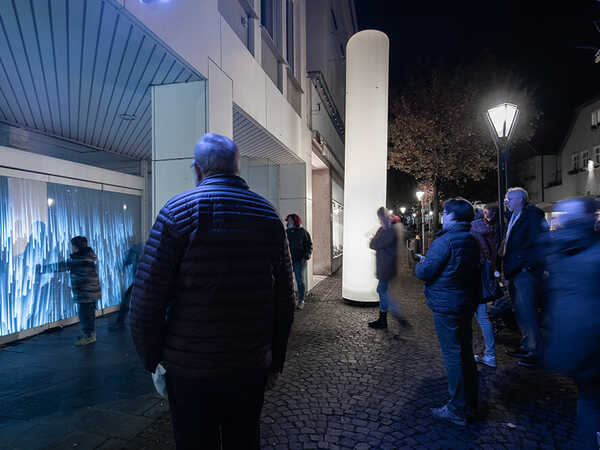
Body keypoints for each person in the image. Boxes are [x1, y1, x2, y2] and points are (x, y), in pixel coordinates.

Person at [130, 133, 295, 450]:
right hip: (249, 365)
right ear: (237, 167)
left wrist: (153, 360)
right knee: (243, 441)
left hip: (189, 369)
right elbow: (285, 299)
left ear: (197, 169)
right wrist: (275, 361)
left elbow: (146, 301)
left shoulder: (176, 212)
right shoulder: (267, 215)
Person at [540, 197, 600, 449]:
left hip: (572, 341)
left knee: (589, 401)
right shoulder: (593, 251)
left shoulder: (557, 249)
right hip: (593, 341)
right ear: (590, 217)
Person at [415, 198, 480, 426]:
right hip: (465, 302)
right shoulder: (471, 239)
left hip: (447, 304)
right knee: (465, 352)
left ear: (452, 216)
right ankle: (470, 402)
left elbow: (425, 272)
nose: (442, 216)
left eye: (445, 212)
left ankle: (457, 408)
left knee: (453, 354)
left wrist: (421, 263)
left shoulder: (445, 241)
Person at [502, 187, 548, 368]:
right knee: (521, 311)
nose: (507, 202)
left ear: (520, 199)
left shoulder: (532, 216)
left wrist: (527, 266)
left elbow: (539, 243)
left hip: (524, 271)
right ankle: (527, 344)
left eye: (509, 199)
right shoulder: (514, 216)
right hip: (516, 270)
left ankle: (536, 351)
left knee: (527, 311)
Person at [38, 235, 101, 346]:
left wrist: (42, 269)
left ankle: (89, 336)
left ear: (76, 247)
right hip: (92, 291)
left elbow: (61, 266)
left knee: (85, 315)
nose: (71, 248)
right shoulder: (88, 257)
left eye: (72, 246)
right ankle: (89, 334)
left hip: (85, 293)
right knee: (89, 315)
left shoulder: (78, 260)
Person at [368, 207, 410, 330]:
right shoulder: (388, 229)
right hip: (387, 265)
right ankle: (384, 319)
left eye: (379, 217)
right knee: (382, 290)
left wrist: (373, 239)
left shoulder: (387, 230)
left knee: (382, 291)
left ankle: (396, 317)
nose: (378, 220)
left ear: (381, 217)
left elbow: (373, 244)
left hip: (386, 266)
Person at [470, 204, 498, 368]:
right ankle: (488, 354)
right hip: (484, 278)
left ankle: (480, 353)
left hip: (475, 279)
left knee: (475, 318)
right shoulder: (485, 229)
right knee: (482, 317)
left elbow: (477, 257)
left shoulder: (472, 231)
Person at [109, 241, 143, 331]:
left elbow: (128, 261)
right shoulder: (145, 248)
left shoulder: (136, 248)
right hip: (144, 280)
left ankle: (120, 323)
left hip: (140, 280)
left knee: (127, 300)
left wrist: (123, 265)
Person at [285, 213, 312, 310]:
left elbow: (309, 245)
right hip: (288, 260)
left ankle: (301, 301)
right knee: (287, 280)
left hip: (299, 260)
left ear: (295, 220)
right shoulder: (286, 232)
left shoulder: (302, 232)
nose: (288, 222)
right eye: (288, 220)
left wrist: (306, 257)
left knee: (299, 280)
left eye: (290, 220)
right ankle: (290, 299)